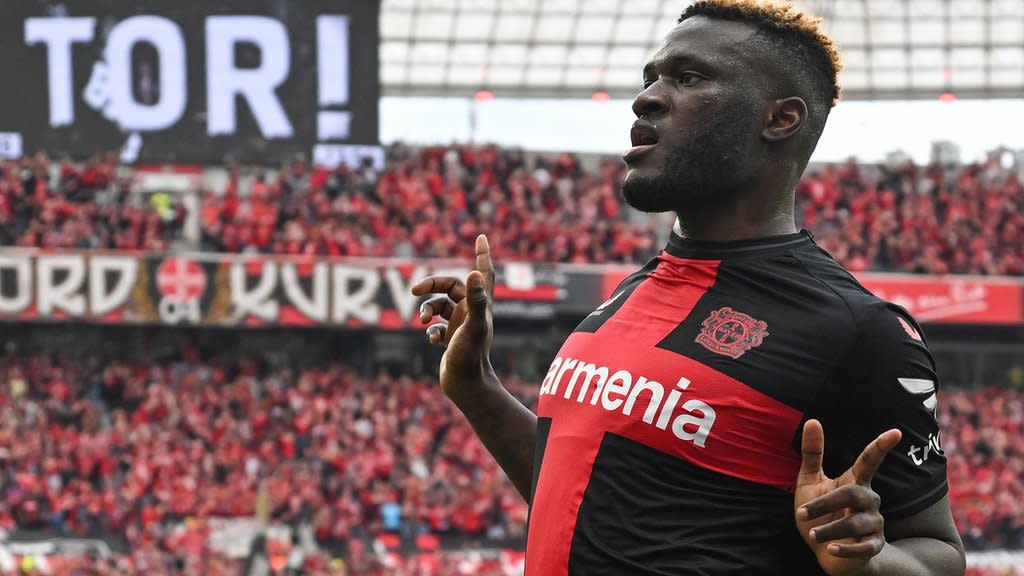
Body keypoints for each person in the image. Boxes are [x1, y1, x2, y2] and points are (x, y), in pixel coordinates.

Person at [411, 1, 966, 574]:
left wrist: (867, 562)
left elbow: (939, 555)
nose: (645, 97)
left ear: (780, 119)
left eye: (689, 77)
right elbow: (588, 502)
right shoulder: (628, 294)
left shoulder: (857, 328)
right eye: (651, 77)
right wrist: (475, 386)